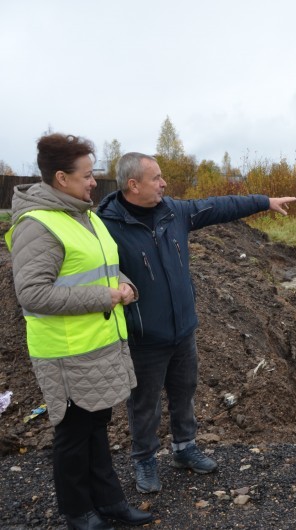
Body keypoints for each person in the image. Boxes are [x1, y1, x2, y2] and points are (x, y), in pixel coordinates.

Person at [96, 152, 296, 494]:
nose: (163, 183)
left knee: (184, 392)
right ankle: (144, 459)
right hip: (144, 336)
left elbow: (219, 206)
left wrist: (264, 201)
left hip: (183, 329)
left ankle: (184, 448)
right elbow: (94, 270)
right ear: (133, 184)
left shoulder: (174, 212)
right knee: (144, 404)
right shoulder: (105, 226)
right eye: (156, 178)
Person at [5, 134, 153, 530]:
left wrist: (125, 286)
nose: (94, 181)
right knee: (73, 436)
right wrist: (105, 296)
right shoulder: (38, 225)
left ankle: (110, 502)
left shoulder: (83, 216)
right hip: (66, 353)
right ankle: (77, 512)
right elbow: (33, 294)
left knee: (96, 428)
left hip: (100, 347)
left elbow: (103, 266)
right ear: (60, 178)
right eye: (87, 175)